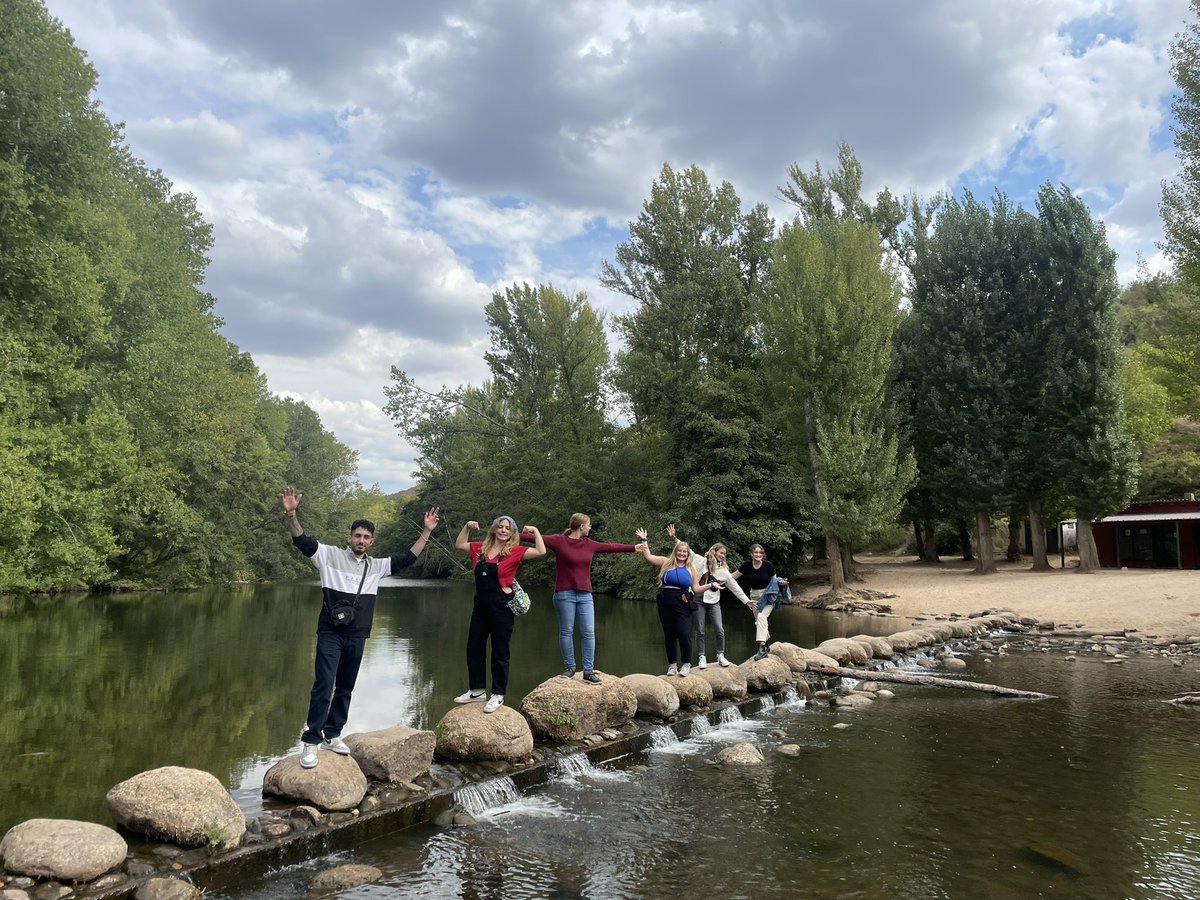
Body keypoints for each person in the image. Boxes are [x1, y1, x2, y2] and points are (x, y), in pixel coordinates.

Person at [281, 486, 439, 769]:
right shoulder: (328, 556)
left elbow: (408, 558)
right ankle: (311, 740)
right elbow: (301, 541)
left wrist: (426, 532)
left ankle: (332, 734)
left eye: (366, 537)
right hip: (330, 632)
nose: (361, 540)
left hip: (358, 635)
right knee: (323, 685)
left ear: (372, 541)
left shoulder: (376, 566)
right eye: (357, 535)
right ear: (349, 537)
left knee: (345, 687)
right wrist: (291, 513)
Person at [522, 513, 639, 684]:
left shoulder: (589, 544)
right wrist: (518, 532)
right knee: (566, 631)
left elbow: (611, 547)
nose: (590, 527)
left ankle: (588, 671)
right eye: (589, 524)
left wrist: (634, 548)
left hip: (585, 595)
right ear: (581, 526)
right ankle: (570, 668)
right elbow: (528, 538)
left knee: (589, 633)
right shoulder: (559, 541)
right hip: (564, 594)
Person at [454, 516, 546, 712]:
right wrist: (467, 527)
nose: (504, 530)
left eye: (508, 528)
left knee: (500, 651)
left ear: (512, 533)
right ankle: (477, 690)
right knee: (474, 647)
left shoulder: (515, 551)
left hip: (502, 607)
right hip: (480, 606)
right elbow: (459, 543)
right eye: (500, 527)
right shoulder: (479, 548)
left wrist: (535, 531)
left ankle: (498, 694)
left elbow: (541, 551)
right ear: (494, 529)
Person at [664, 525, 753, 669]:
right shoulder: (700, 561)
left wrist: (746, 600)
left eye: (724, 554)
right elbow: (686, 550)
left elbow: (734, 587)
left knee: (719, 628)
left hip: (713, 602)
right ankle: (701, 656)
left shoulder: (723, 571)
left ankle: (720, 654)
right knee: (700, 630)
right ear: (714, 551)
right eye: (721, 553)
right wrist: (674, 537)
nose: (723, 556)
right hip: (698, 600)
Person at [635, 527, 703, 676]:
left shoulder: (691, 569)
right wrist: (644, 540)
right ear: (675, 551)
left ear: (688, 554)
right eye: (680, 551)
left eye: (685, 552)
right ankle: (672, 665)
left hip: (683, 602)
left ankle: (686, 663)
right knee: (669, 634)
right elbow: (648, 556)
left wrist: (711, 585)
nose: (682, 553)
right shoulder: (666, 562)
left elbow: (696, 589)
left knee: (684, 633)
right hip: (665, 600)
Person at [732, 543, 791, 661]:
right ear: (751, 554)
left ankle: (762, 647)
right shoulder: (746, 566)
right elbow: (731, 577)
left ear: (763, 554)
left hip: (768, 595)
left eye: (760, 553)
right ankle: (766, 645)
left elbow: (775, 581)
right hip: (754, 596)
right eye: (756, 552)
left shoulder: (768, 566)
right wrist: (718, 579)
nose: (758, 555)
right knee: (758, 621)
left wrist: (782, 583)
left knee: (761, 618)